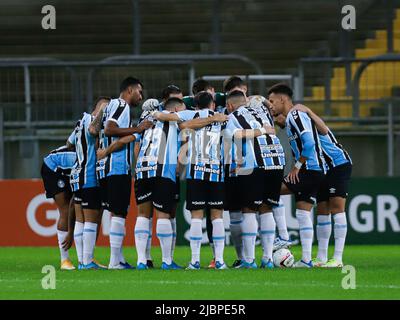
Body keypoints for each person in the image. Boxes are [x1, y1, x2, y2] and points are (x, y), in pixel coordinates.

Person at [153, 93, 229, 270]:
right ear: (212, 104)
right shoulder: (223, 117)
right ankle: (219, 261)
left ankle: (194, 261)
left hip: (196, 172)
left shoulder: (188, 115)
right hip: (216, 172)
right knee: (217, 217)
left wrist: (155, 113)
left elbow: (166, 116)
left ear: (195, 105)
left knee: (197, 217)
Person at [267, 83, 326, 268]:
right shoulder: (292, 118)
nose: (271, 105)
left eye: (272, 101)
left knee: (269, 191)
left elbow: (309, 143)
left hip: (309, 170)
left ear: (283, 99)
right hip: (316, 171)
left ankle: (283, 236)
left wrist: (297, 167)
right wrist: (279, 122)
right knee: (302, 212)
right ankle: (306, 260)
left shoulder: (296, 114)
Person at [290, 104, 352, 268]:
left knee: (337, 207)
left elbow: (324, 130)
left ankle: (338, 258)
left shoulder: (306, 121)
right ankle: (322, 257)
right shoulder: (295, 126)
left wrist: (309, 111)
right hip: (323, 168)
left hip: (338, 164)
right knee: (322, 209)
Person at [225, 90, 280, 269]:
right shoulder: (262, 110)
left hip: (255, 163)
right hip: (276, 161)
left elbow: (237, 135)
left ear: (230, 105)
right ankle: (268, 258)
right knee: (266, 208)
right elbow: (263, 101)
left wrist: (260, 131)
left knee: (249, 210)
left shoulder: (233, 116)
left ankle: (249, 260)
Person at [102, 77, 152, 269]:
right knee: (119, 214)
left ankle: (119, 258)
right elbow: (109, 129)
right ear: (129, 90)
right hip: (116, 166)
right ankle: (115, 261)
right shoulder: (121, 105)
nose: (141, 96)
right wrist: (138, 129)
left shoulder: (113, 106)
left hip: (111, 166)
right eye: (139, 91)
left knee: (118, 212)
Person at [68, 98, 109, 270]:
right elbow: (93, 132)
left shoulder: (80, 122)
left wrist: (80, 156)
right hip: (89, 175)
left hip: (77, 175)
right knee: (91, 220)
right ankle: (88, 260)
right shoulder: (93, 122)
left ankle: (81, 260)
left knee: (80, 220)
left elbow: (68, 143)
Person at [41, 145, 77, 270]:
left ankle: (86, 258)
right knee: (66, 210)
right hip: (53, 168)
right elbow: (73, 203)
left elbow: (70, 141)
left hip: (67, 169)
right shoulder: (85, 160)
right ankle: (65, 260)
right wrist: (70, 233)